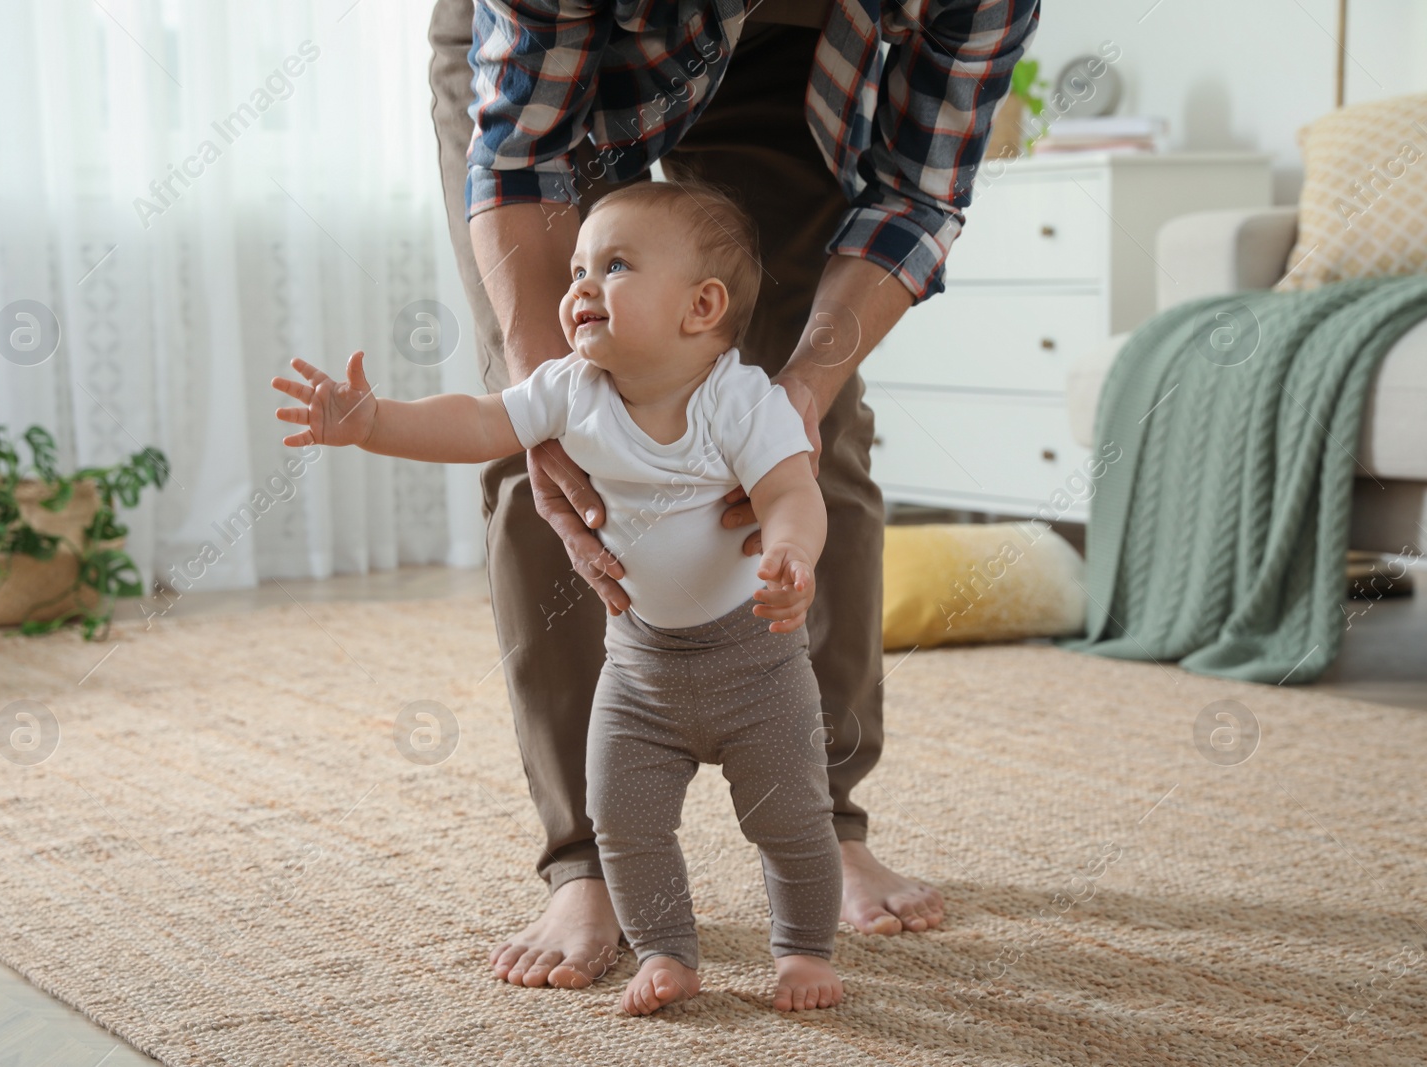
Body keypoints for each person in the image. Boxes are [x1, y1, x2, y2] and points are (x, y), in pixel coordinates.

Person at [427, 0, 1041, 988]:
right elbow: (520, 153)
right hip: (557, 68)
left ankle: (822, 817)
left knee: (808, 436)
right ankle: (585, 858)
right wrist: (546, 400)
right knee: (542, 421)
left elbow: (913, 196)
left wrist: (799, 395)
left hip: (799, 66)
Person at [275, 178, 845, 1013]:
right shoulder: (570, 389)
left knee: (791, 821)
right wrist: (373, 422)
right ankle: (666, 951)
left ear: (702, 305)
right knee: (624, 821)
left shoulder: (740, 400)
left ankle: (801, 949)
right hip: (642, 670)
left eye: (612, 266)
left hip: (757, 668)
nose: (577, 287)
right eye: (576, 266)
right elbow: (474, 421)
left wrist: (792, 551)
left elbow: (794, 492)